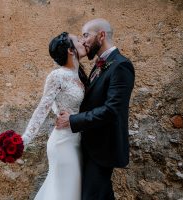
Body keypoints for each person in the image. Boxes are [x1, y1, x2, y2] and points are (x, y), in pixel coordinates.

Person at [56, 18, 135, 200]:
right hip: (89, 146)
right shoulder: (99, 65)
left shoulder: (121, 65)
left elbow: (111, 110)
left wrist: (72, 120)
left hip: (103, 148)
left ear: (101, 35)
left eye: (86, 35)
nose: (83, 41)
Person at [21, 32, 87, 200]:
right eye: (77, 40)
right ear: (70, 51)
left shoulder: (80, 75)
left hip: (78, 142)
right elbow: (42, 109)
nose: (82, 42)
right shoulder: (57, 76)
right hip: (63, 143)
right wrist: (23, 140)